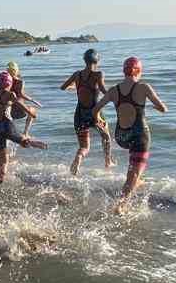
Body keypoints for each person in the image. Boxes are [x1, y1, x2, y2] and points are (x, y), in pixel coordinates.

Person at [92, 56, 168, 209]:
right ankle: (121, 204)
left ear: (124, 71)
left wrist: (99, 121)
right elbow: (163, 108)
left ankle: (135, 182)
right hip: (140, 135)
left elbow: (95, 110)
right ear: (138, 70)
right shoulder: (144, 87)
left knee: (133, 168)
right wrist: (155, 108)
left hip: (122, 136)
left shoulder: (114, 90)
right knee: (135, 173)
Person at [0, 71, 50, 182]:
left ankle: (0, 180)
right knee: (23, 142)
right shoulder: (10, 95)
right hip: (6, 125)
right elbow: (20, 104)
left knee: (3, 160)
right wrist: (31, 113)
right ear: (10, 84)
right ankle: (32, 142)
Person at [60, 47, 113, 175]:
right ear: (97, 61)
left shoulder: (76, 74)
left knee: (84, 146)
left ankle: (78, 158)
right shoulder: (98, 75)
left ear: (84, 60)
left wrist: (76, 87)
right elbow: (104, 91)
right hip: (95, 113)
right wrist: (116, 93)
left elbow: (63, 87)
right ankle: (108, 161)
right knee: (106, 137)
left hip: (79, 114)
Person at [4, 61, 42, 136]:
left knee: (9, 122)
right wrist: (33, 100)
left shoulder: (6, 81)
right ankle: (25, 132)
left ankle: (11, 133)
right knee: (33, 111)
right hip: (20, 109)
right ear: (16, 70)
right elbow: (21, 94)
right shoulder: (20, 81)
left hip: (9, 110)